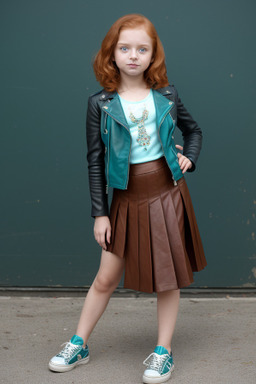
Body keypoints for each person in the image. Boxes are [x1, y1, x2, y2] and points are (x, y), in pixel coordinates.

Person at [48, 13, 207, 384]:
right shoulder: (100, 104)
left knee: (167, 278)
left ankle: (163, 352)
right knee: (105, 277)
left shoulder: (167, 95)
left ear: (153, 56)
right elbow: (95, 160)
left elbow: (194, 131)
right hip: (124, 196)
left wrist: (189, 158)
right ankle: (79, 343)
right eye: (124, 48)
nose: (133, 55)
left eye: (142, 49)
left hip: (166, 192)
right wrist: (99, 214)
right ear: (112, 53)